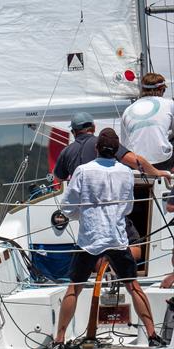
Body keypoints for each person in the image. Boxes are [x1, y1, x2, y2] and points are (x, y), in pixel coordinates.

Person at [51, 129, 164, 347]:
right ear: (116, 151)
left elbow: (66, 206)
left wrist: (81, 216)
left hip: (89, 239)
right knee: (133, 286)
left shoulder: (83, 171)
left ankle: (59, 340)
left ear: (97, 149)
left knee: (74, 288)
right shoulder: (126, 172)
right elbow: (128, 207)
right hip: (116, 237)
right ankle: (152, 336)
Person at [53, 112, 171, 182]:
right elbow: (136, 161)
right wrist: (157, 172)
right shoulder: (103, 143)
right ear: (93, 128)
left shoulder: (65, 151)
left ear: (73, 132)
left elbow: (58, 178)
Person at [122, 73, 174, 171]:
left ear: (143, 90)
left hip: (135, 163)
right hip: (161, 162)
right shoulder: (170, 104)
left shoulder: (128, 110)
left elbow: (125, 143)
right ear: (161, 90)